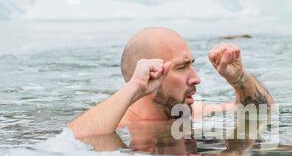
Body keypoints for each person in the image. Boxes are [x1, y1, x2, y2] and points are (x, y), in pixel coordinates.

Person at [68, 27, 274, 139]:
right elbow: (72, 137)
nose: (196, 78)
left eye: (191, 65)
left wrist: (239, 79)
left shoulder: (193, 113)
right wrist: (134, 87)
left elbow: (261, 111)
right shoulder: (120, 124)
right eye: (182, 67)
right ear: (148, 75)